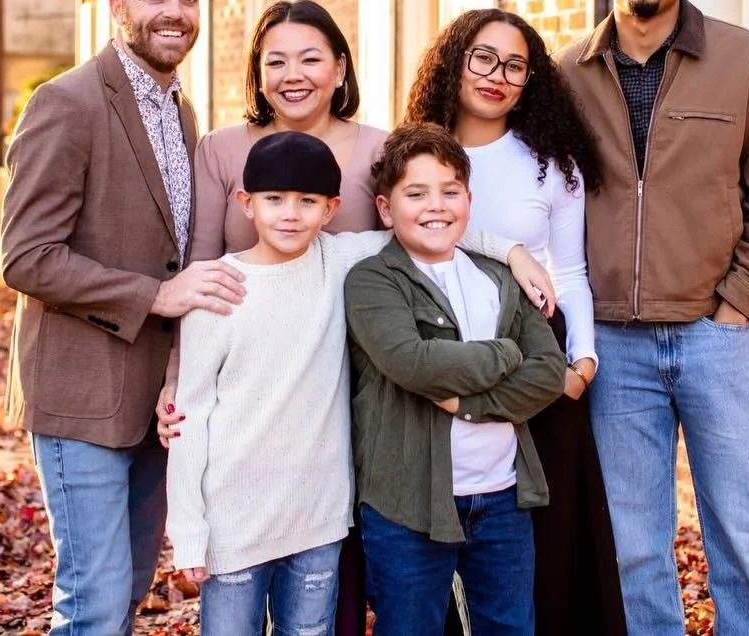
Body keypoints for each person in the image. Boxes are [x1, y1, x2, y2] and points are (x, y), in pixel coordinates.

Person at [555, 0, 749, 634]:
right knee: (634, 547)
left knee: (747, 536)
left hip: (713, 333)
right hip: (613, 346)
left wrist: (737, 301)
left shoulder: (742, 60)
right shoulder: (568, 72)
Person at [165, 130, 535, 635]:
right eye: (273, 200)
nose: (291, 214)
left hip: (318, 517)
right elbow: (192, 415)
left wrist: (510, 250)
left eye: (307, 201)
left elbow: (427, 224)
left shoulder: (338, 260)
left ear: (331, 208)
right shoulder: (218, 291)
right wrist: (189, 530)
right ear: (245, 203)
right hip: (235, 519)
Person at [0, 0, 241, 634]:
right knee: (94, 604)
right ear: (118, 9)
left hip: (155, 406)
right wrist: (153, 297)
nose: (175, 12)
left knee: (128, 592)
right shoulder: (66, 103)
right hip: (82, 398)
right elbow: (26, 257)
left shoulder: (182, 112)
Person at [155, 0, 387, 636]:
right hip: (244, 396)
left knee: (326, 604)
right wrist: (176, 380)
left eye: (311, 57)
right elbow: (198, 272)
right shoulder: (223, 150)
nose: (294, 73)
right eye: (275, 59)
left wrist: (508, 249)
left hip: (342, 399)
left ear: (340, 67)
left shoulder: (378, 150)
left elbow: (430, 223)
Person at [405, 9, 625, 635]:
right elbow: (412, 228)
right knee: (443, 546)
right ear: (455, 61)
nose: (497, 76)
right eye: (483, 57)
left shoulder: (549, 163)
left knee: (549, 542)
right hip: (439, 368)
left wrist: (582, 363)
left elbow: (573, 271)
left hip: (540, 373)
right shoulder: (418, 152)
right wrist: (509, 247)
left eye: (516, 65)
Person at [345, 122, 568, 636]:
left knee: (509, 626)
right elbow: (412, 362)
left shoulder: (496, 277)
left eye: (449, 191)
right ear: (385, 208)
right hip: (408, 503)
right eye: (416, 193)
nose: (435, 206)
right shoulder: (374, 280)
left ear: (469, 200)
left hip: (503, 496)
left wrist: (469, 405)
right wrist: (507, 352)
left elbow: (550, 371)